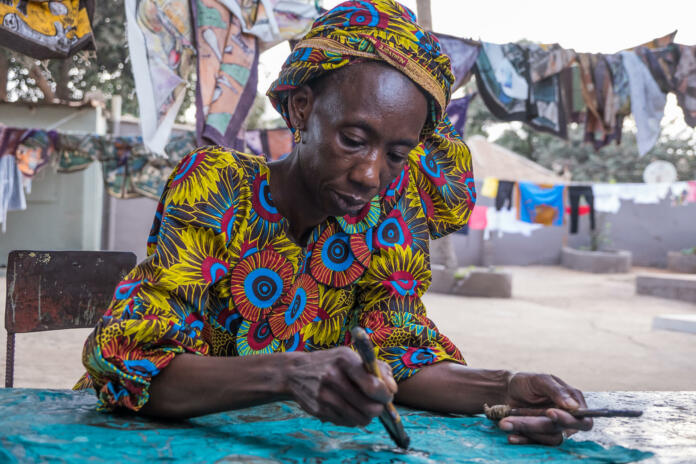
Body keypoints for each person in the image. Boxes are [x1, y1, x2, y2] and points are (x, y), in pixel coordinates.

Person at [76, 0, 592, 446]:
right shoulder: (217, 187)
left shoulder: (386, 219)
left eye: (396, 153)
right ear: (302, 108)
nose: (370, 174)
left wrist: (505, 389)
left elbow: (402, 356)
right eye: (353, 139)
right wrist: (289, 371)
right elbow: (129, 360)